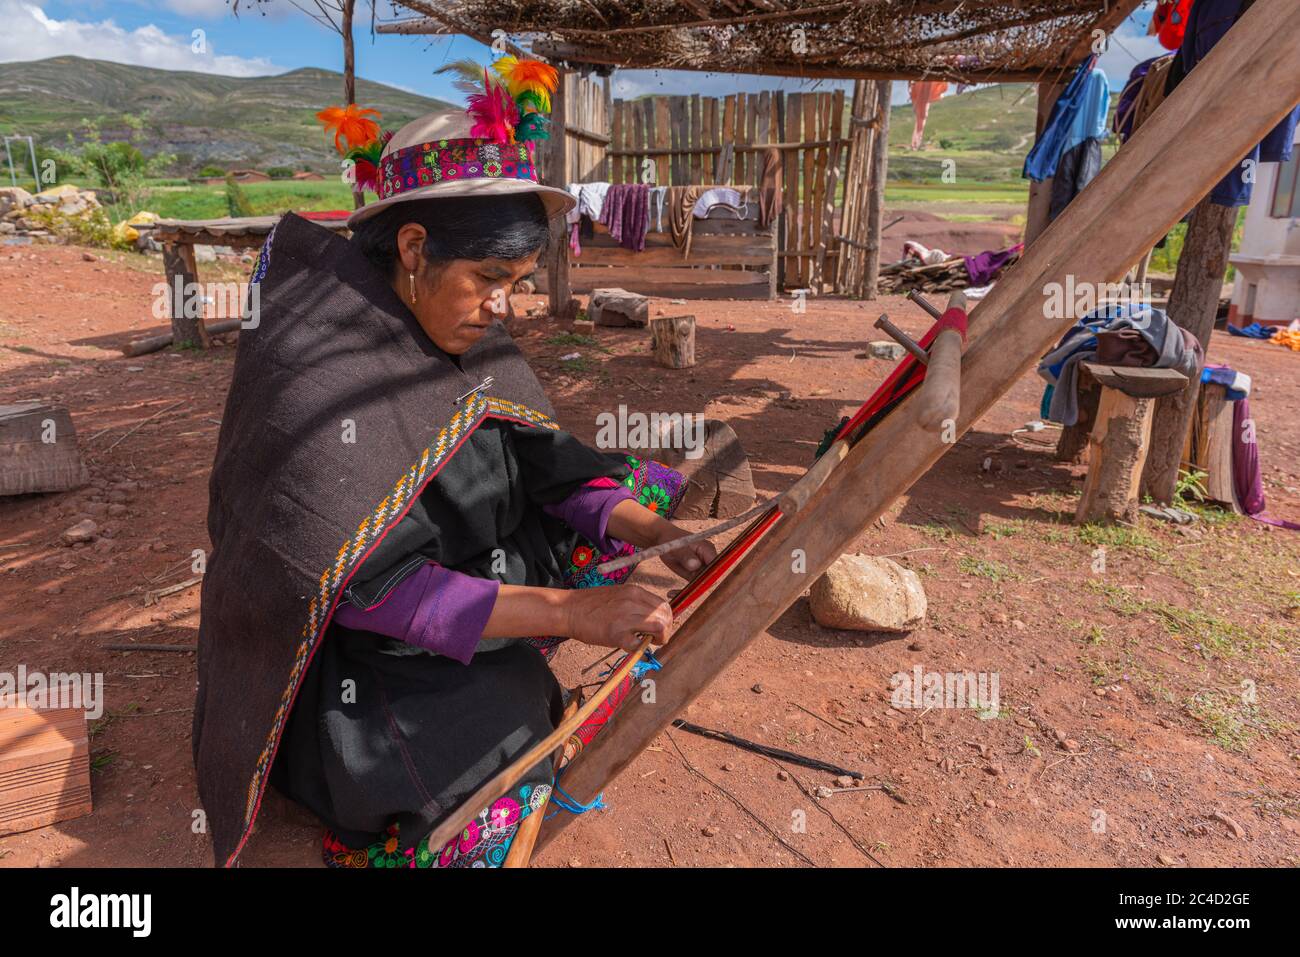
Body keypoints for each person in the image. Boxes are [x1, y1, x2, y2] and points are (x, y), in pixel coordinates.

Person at [193, 73, 715, 868]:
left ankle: (518, 629)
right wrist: (570, 617)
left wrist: (657, 531)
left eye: (517, 284)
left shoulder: (453, 322)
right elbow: (378, 590)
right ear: (412, 249)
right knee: (496, 760)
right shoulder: (317, 369)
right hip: (354, 657)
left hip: (460, 575)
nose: (504, 306)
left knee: (611, 515)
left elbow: (544, 458)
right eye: (490, 280)